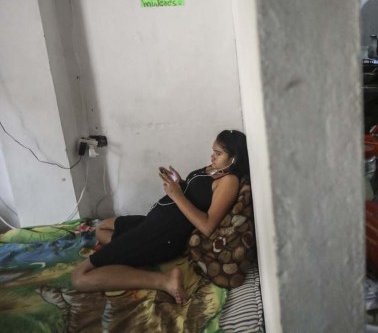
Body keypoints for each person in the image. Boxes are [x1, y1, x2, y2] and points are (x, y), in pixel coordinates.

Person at [71, 130, 250, 304]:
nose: (212, 157)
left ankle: (164, 281)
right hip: (152, 223)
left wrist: (176, 194)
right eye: (213, 151)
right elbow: (197, 193)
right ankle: (134, 256)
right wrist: (180, 183)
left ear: (233, 158)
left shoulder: (229, 181)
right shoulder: (215, 169)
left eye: (218, 153)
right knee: (101, 228)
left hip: (164, 234)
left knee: (79, 277)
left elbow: (208, 226)